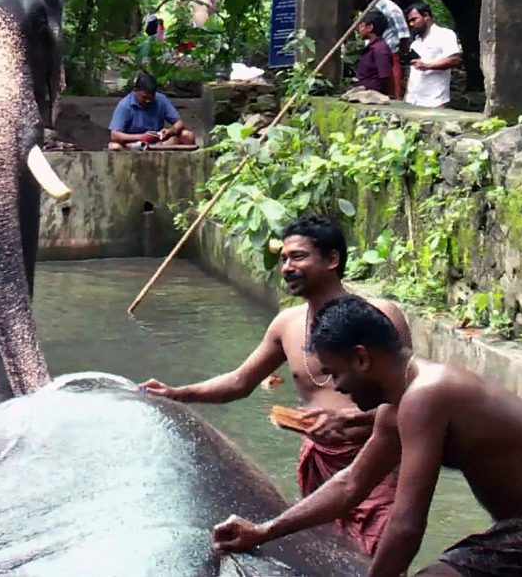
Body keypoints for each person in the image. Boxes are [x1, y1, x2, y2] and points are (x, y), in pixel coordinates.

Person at [140, 215, 411, 555]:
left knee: (382, 552)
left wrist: (358, 420)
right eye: (283, 259)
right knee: (327, 554)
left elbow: (410, 397)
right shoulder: (287, 324)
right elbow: (240, 381)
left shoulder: (381, 315)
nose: (286, 267)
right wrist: (178, 394)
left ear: (331, 260)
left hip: (377, 457)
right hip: (321, 463)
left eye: (297, 257)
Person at [213, 295, 522, 577]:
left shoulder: (426, 395)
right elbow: (351, 484)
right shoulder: (396, 408)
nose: (336, 386)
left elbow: (406, 525)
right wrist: (263, 531)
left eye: (334, 373)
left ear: (361, 359)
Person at [108, 72, 197, 151]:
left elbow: (179, 123)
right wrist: (141, 137)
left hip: (159, 144)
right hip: (132, 145)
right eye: (144, 97)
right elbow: (114, 135)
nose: (148, 101)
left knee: (187, 135)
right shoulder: (125, 105)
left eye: (151, 97)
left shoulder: (161, 99)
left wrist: (170, 131)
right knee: (114, 146)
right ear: (136, 91)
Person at [404, 2, 462, 109]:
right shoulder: (416, 42)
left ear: (426, 16)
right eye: (409, 21)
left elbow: (454, 59)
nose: (411, 24)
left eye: (414, 19)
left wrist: (428, 66)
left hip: (434, 99)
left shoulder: (445, 34)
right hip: (413, 99)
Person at [363, 0, 411, 99]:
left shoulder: (391, 9)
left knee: (391, 89)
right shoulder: (371, 8)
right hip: (372, 53)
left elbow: (404, 34)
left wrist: (399, 55)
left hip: (389, 53)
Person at [354, 10, 393, 96]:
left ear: (370, 27)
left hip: (373, 95)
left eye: (362, 25)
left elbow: (385, 78)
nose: (359, 29)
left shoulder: (379, 49)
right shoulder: (372, 47)